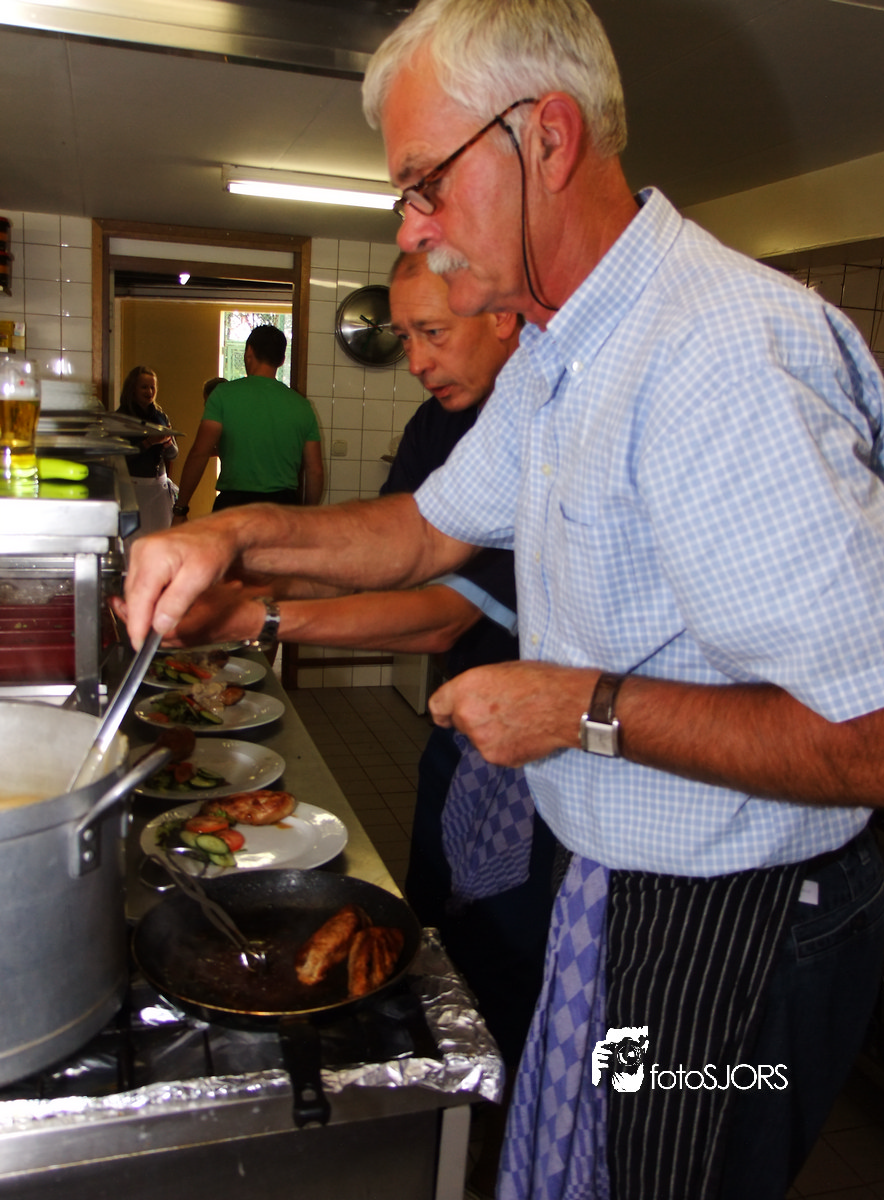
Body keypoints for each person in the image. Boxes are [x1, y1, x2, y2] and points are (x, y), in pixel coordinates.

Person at [119, 2, 884, 1197]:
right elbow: (422, 529)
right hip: (629, 895)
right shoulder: (559, 352)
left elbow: (879, 739)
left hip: (740, 934)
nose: (413, 228)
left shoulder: (719, 353)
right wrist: (230, 534)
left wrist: (579, 708)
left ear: (548, 136)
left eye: (426, 184)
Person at [160, 254, 557, 1100]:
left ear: (501, 316)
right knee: (427, 933)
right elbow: (387, 554)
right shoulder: (434, 424)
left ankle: (496, 1119)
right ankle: (436, 1102)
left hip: (542, 765)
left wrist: (255, 614)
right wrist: (242, 571)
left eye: (432, 333)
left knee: (508, 964)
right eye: (405, 337)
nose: (415, 359)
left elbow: (442, 612)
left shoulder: (543, 428)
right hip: (459, 732)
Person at [172, 325, 323, 521]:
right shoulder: (302, 406)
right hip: (284, 509)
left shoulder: (223, 395)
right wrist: (308, 516)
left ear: (249, 351)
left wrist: (181, 508)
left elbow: (200, 453)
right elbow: (315, 471)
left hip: (234, 507)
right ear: (281, 360)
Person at [116, 365, 178, 537]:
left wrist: (167, 443)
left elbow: (173, 454)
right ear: (132, 389)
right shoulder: (121, 418)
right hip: (133, 489)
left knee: (161, 538)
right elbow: (121, 457)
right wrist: (148, 442)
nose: (149, 391)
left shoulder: (161, 416)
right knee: (134, 538)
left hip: (159, 488)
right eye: (144, 387)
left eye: (152, 387)